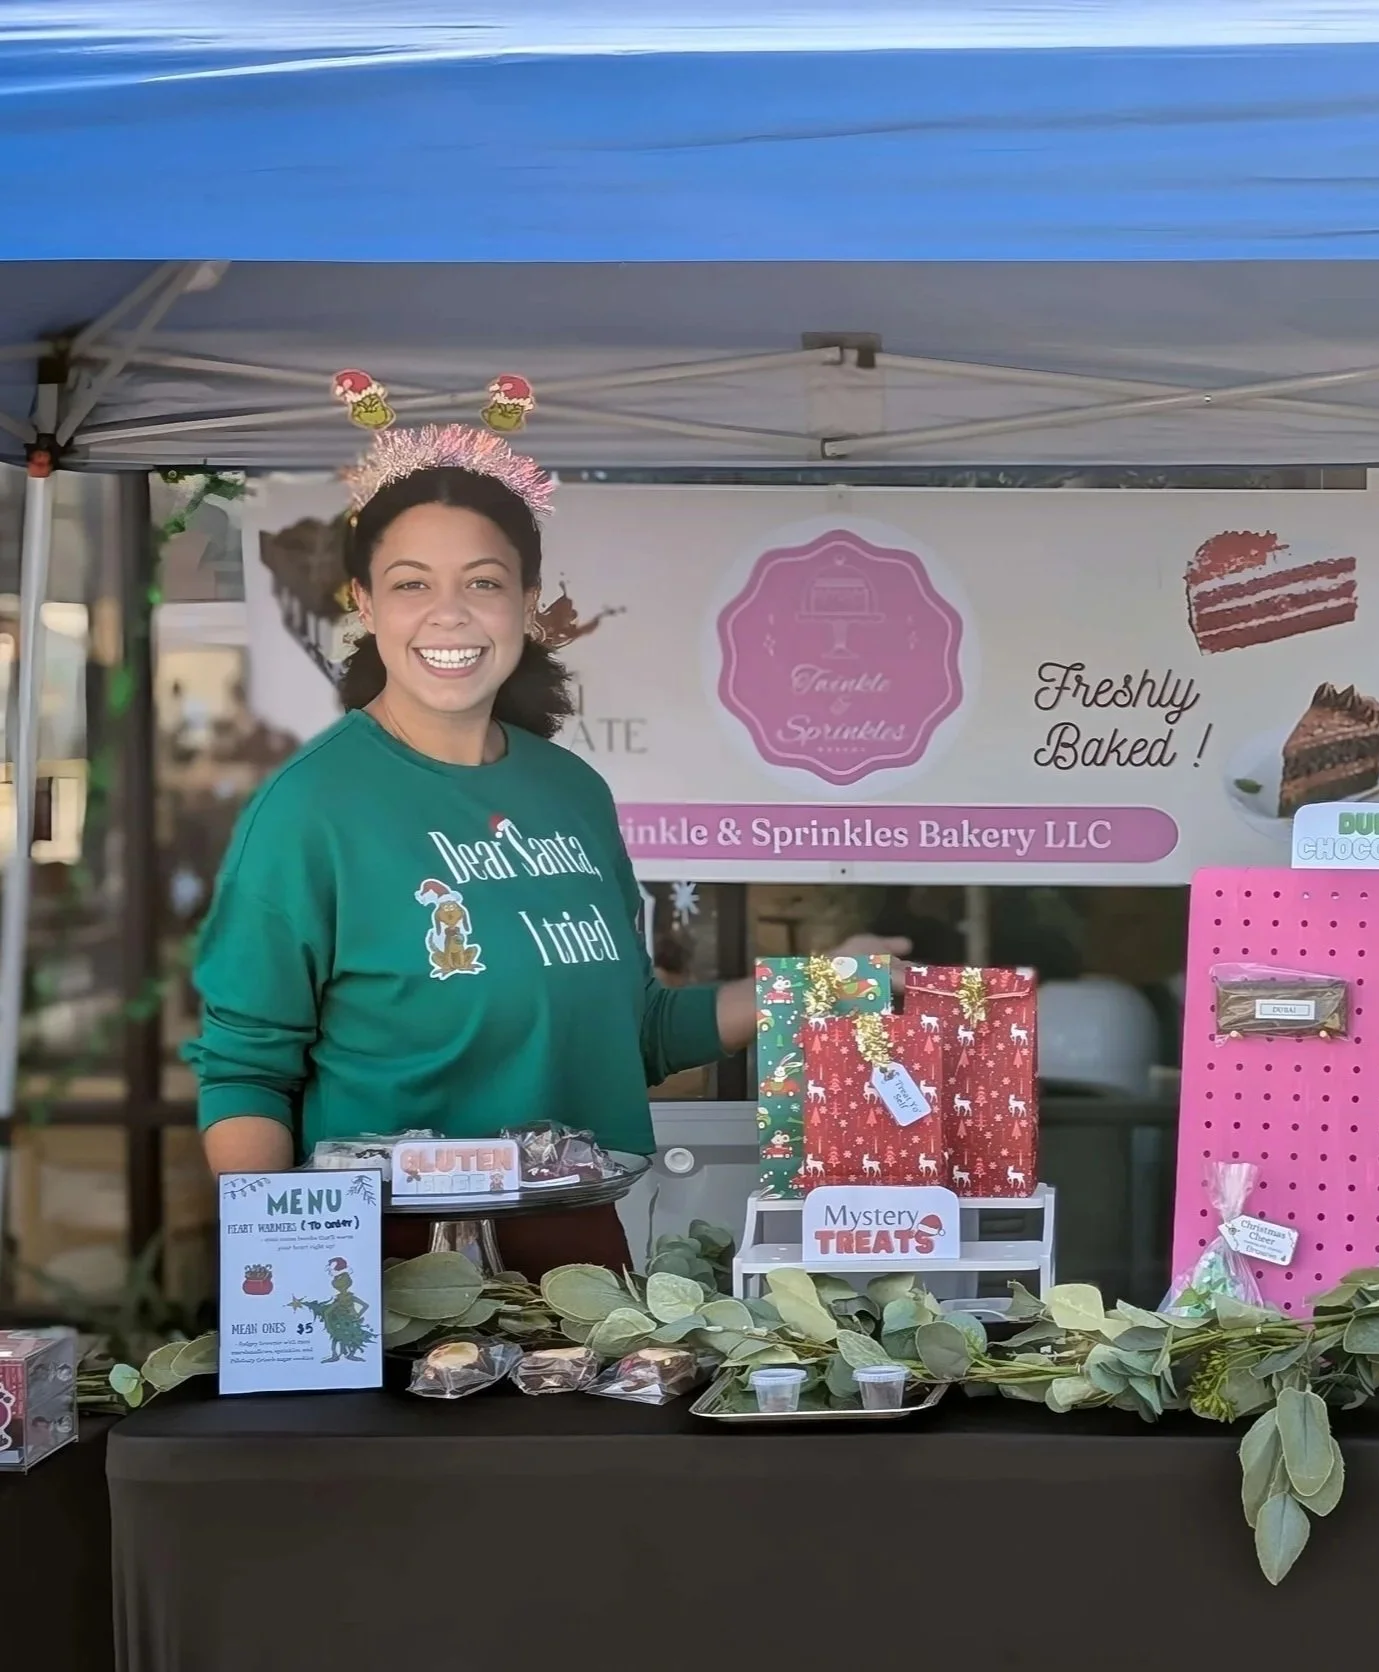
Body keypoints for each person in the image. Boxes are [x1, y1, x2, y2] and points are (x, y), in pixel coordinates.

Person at [185, 423, 904, 1275]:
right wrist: (284, 1284)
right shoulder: (309, 808)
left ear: (527, 605)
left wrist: (823, 984)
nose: (448, 613)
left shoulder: (571, 793)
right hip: (380, 1266)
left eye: (482, 583)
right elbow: (244, 1072)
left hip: (572, 1264)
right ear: (365, 604)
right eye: (411, 583)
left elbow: (635, 1032)